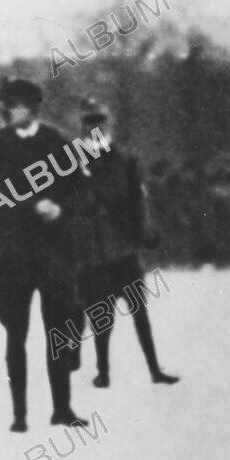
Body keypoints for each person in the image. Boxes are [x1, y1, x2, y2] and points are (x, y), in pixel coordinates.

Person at [0, 78, 91, 432]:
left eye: (21, 106)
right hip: (12, 253)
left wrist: (61, 207)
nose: (15, 113)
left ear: (34, 108)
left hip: (54, 251)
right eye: (10, 107)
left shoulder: (57, 143)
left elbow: (80, 189)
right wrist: (28, 207)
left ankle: (62, 409)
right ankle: (20, 413)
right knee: (15, 333)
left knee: (59, 331)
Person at [77, 101, 178, 388]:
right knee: (101, 315)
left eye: (100, 120)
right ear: (83, 126)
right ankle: (103, 372)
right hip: (94, 252)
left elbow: (139, 199)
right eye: (90, 121)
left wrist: (145, 231)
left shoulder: (125, 159)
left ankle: (155, 370)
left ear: (108, 123)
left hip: (123, 248)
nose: (95, 126)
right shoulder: (75, 163)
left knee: (139, 311)